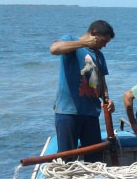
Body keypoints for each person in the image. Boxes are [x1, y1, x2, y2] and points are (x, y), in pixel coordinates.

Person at [49, 20, 115, 162]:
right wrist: (85, 44)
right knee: (67, 158)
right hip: (68, 112)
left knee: (95, 158)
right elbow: (54, 49)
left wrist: (107, 99)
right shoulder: (71, 41)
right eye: (104, 41)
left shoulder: (99, 55)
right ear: (95, 34)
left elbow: (101, 81)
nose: (104, 46)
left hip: (91, 114)